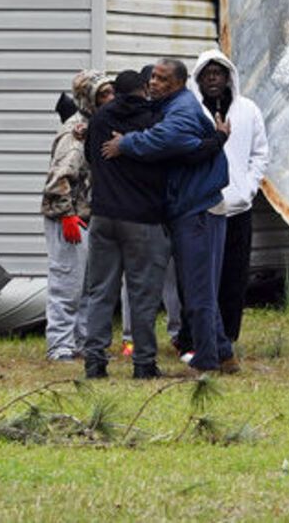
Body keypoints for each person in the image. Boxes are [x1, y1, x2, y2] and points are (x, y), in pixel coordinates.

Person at [83, 70, 224, 380]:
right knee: (142, 294)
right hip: (142, 220)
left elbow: (91, 160)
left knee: (100, 291)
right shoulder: (153, 119)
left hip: (103, 217)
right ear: (143, 90)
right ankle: (144, 363)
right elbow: (183, 154)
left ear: (116, 92)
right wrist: (217, 139)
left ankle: (94, 361)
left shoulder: (98, 120)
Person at [168, 50, 269, 351]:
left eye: (219, 72)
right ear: (198, 78)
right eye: (207, 73)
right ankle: (193, 337)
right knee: (196, 277)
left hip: (237, 207)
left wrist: (248, 188)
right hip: (202, 207)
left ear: (229, 77)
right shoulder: (190, 111)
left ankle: (228, 337)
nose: (213, 78)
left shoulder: (248, 110)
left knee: (233, 276)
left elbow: (260, 154)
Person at [41, 70, 114, 361]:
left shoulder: (95, 126)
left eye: (111, 92)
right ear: (88, 99)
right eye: (103, 94)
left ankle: (81, 342)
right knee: (67, 281)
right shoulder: (74, 135)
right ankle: (59, 345)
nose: (110, 99)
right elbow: (58, 180)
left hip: (87, 216)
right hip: (68, 218)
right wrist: (66, 215)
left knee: (87, 283)